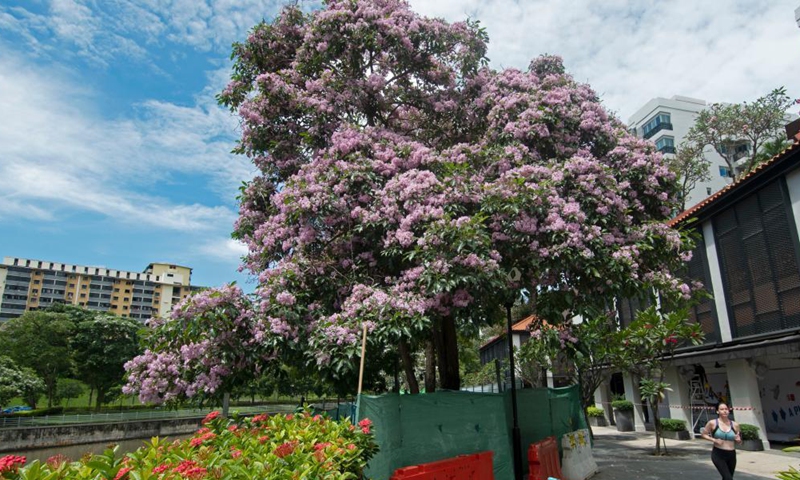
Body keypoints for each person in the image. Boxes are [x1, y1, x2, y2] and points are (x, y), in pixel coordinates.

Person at [700, 402, 742, 480]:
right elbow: (704, 434)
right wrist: (714, 440)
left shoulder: (735, 425)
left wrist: (738, 440)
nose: (724, 411)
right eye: (722, 409)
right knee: (728, 478)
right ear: (717, 411)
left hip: (731, 454)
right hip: (718, 454)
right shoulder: (712, 423)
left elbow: (739, 441)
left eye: (726, 409)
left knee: (727, 477)